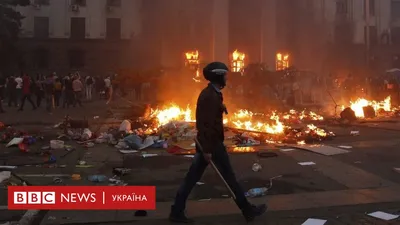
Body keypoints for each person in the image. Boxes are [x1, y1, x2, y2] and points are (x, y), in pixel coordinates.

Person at [169, 62, 267, 223]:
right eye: (225, 75)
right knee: (228, 177)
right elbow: (206, 125)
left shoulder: (212, 94)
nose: (227, 78)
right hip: (212, 145)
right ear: (218, 76)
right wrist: (207, 150)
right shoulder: (210, 96)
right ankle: (247, 210)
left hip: (209, 144)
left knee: (193, 178)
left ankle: (177, 211)